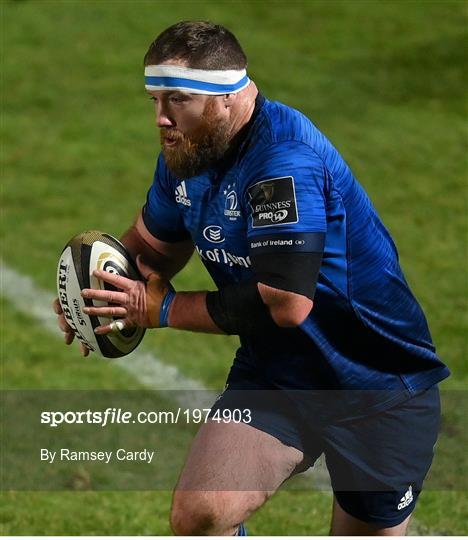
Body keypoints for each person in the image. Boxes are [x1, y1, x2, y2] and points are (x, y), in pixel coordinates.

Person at [53, 21, 450, 536]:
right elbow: (150, 249)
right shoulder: (186, 156)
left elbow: (287, 304)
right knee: (200, 515)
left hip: (376, 385)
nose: (161, 119)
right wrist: (91, 296)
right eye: (154, 99)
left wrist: (163, 310)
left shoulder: (283, 163)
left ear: (225, 98)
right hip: (275, 376)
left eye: (178, 100)